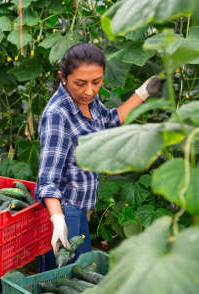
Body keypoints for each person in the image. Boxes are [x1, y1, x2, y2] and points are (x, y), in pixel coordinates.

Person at [35, 43, 162, 270]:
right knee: (71, 276)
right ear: (62, 77)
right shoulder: (57, 115)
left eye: (97, 82)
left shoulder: (90, 102)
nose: (89, 91)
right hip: (66, 209)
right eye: (80, 83)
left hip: (81, 208)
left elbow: (109, 122)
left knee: (78, 270)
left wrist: (142, 93)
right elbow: (47, 180)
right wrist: (58, 219)